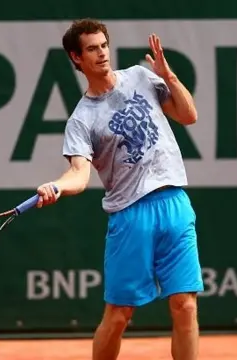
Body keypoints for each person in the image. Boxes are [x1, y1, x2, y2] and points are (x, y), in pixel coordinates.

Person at [34, 19, 204, 360]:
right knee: (119, 315)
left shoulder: (141, 77)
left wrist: (168, 76)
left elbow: (188, 116)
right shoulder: (82, 120)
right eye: (92, 49)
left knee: (185, 305)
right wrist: (57, 186)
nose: (101, 54)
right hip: (131, 216)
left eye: (103, 46)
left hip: (175, 203)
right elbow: (79, 174)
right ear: (76, 58)